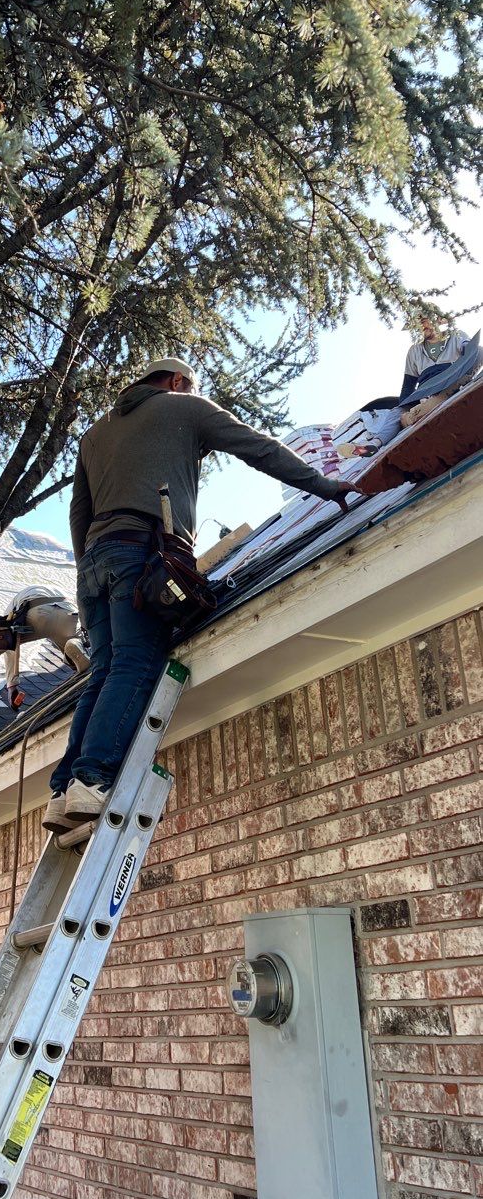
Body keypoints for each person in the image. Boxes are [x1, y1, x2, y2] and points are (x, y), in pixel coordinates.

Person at [42, 357, 365, 836]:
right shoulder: (184, 405)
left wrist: (89, 569)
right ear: (177, 382)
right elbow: (258, 448)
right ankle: (92, 779)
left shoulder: (93, 436)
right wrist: (323, 486)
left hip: (94, 562)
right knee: (136, 662)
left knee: (105, 670)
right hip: (144, 554)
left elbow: (79, 513)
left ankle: (63, 790)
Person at [399, 312, 469, 403]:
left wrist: (467, 346)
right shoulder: (414, 351)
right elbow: (408, 387)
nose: (421, 327)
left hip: (457, 389)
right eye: (416, 326)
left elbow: (472, 351)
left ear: (437, 320)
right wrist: (403, 409)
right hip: (428, 399)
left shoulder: (456, 336)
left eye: (423, 321)